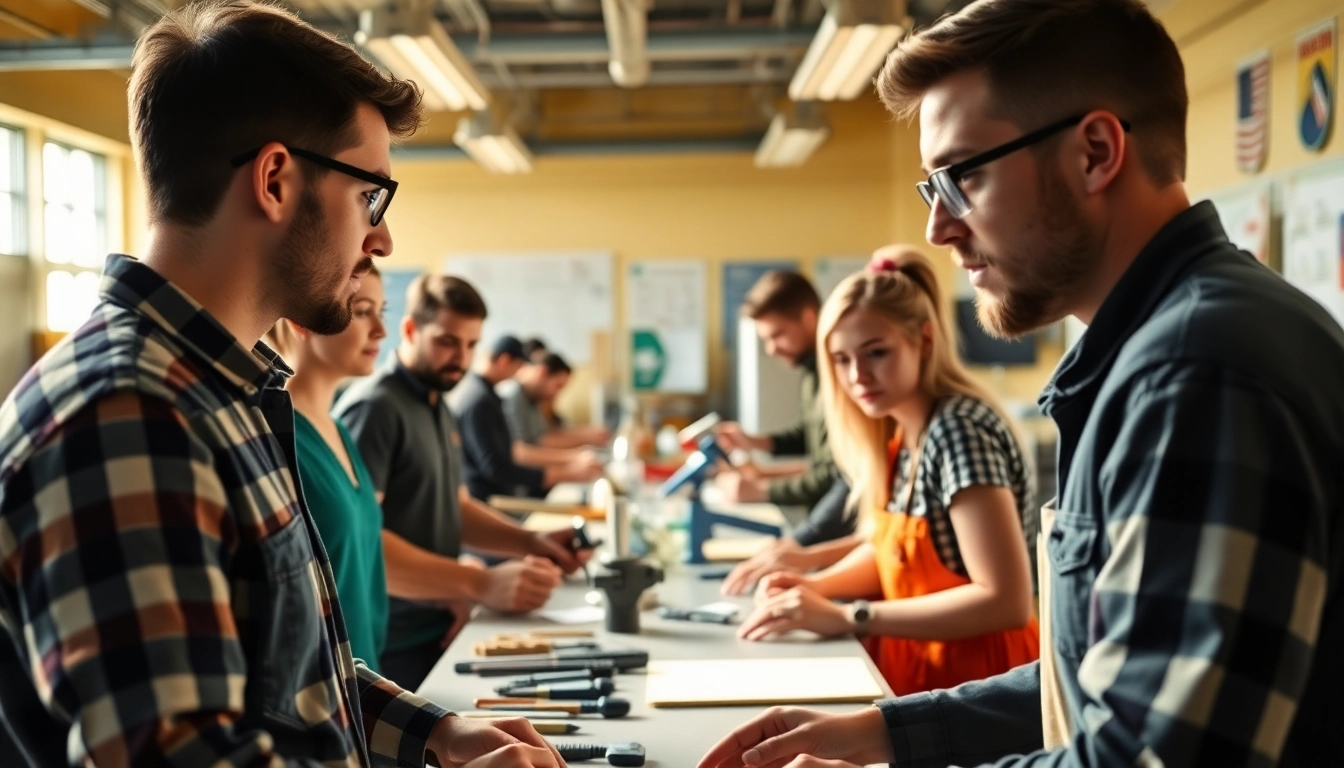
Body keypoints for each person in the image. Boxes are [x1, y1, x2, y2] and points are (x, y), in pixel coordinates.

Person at [699, 1, 1342, 766]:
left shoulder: (1194, 375)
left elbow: (1150, 756)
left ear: (1096, 152)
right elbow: (1093, 678)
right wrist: (881, 733)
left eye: (964, 175)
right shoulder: (1155, 354)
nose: (939, 228)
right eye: (932, 188)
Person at [0, 3, 562, 766]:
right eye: (371, 195)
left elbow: (289, 676)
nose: (381, 237)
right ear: (274, 179)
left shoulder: (225, 394)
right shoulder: (128, 415)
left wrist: (436, 735)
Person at [738, 250, 1039, 696]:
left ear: (924, 340)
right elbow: (892, 553)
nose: (858, 375)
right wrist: (812, 586)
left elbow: (1004, 601)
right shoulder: (903, 435)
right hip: (928, 675)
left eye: (876, 352)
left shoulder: (959, 431)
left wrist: (848, 614)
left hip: (982, 685)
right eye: (841, 360)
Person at [335, 276, 586, 691]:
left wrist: (532, 542)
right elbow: (365, 543)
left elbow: (454, 506)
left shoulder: (437, 401)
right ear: (411, 330)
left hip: (438, 619)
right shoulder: (376, 409)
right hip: (389, 641)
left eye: (471, 345)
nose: (461, 359)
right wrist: (478, 582)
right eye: (448, 342)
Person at [265, 266, 393, 672]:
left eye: (381, 312)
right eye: (361, 311)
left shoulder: (336, 427)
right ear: (305, 319)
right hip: (319, 687)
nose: (380, 331)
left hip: (366, 682)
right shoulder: (276, 435)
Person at [717, 270, 858, 595]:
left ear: (809, 317)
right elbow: (812, 437)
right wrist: (756, 442)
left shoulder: (837, 373)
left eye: (777, 335)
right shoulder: (812, 372)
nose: (770, 349)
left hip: (840, 535)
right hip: (824, 532)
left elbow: (839, 473)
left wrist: (763, 492)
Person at [450, 336, 603, 502]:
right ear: (504, 360)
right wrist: (568, 468)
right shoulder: (480, 400)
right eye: (519, 367)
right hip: (491, 500)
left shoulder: (486, 394)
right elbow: (504, 463)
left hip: (502, 494)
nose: (520, 373)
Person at [500, 352, 609, 463]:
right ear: (543, 372)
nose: (557, 394)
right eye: (557, 386)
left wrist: (586, 435)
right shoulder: (511, 397)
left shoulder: (534, 398)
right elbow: (520, 453)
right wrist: (575, 456)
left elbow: (544, 436)